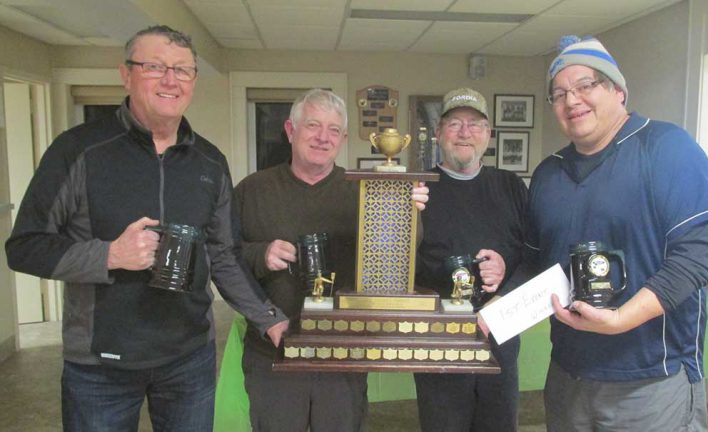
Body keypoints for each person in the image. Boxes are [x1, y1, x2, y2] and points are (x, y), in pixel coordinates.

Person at [5, 25, 289, 432]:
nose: (171, 80)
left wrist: (268, 317)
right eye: (155, 66)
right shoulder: (78, 150)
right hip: (100, 367)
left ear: (193, 80)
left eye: (183, 70)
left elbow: (222, 254)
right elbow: (25, 246)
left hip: (189, 358)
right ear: (126, 74)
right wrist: (110, 255)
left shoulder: (210, 162)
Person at [527, 35, 708, 431]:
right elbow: (536, 260)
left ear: (618, 90)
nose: (572, 100)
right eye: (559, 93)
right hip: (568, 375)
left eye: (586, 86)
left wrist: (620, 319)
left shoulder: (668, 149)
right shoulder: (548, 174)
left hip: (651, 379)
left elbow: (699, 256)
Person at [233, 88, 428, 432]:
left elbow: (400, 255)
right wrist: (260, 254)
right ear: (291, 130)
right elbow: (224, 257)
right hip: (275, 349)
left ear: (343, 139)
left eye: (334, 130)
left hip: (344, 350)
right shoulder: (252, 190)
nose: (323, 137)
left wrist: (406, 212)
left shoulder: (365, 190)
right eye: (313, 125)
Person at [414, 88, 528, 432]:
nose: (465, 133)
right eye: (455, 124)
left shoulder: (511, 186)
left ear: (488, 135)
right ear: (438, 133)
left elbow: (533, 256)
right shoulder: (417, 189)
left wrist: (506, 268)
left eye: (475, 124)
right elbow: (397, 268)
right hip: (438, 336)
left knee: (499, 424)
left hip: (500, 332)